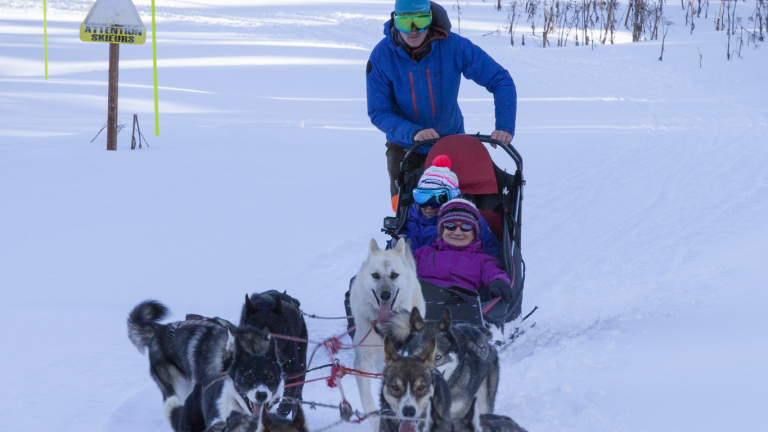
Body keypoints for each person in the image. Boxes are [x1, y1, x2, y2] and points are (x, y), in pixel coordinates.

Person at [366, 0, 517, 211]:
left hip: (451, 143)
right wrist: (413, 132)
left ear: (430, 18)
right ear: (394, 20)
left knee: (459, 212)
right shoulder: (382, 56)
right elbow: (379, 111)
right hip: (406, 147)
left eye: (420, 20)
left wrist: (504, 126)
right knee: (406, 215)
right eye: (405, 22)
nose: (413, 30)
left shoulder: (453, 46)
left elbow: (500, 80)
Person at [398, 154, 502, 260]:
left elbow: (493, 256)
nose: (428, 207)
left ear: (450, 199)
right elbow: (404, 261)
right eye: (421, 198)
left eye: (436, 200)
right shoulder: (412, 223)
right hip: (423, 274)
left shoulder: (470, 220)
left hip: (468, 272)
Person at [412, 197, 513, 305]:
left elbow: (494, 272)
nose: (457, 232)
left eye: (465, 226)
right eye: (450, 226)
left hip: (462, 309)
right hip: (419, 307)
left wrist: (498, 281)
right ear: (442, 231)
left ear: (474, 233)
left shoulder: (483, 261)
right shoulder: (422, 254)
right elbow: (400, 267)